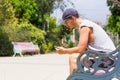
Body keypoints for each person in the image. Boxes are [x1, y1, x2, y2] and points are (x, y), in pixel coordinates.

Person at [55, 8, 116, 74]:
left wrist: (64, 51)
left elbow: (80, 49)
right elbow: (82, 50)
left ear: (73, 18)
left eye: (66, 22)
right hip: (109, 58)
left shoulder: (85, 26)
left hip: (108, 60)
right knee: (78, 56)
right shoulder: (86, 24)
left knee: (74, 58)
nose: (66, 25)